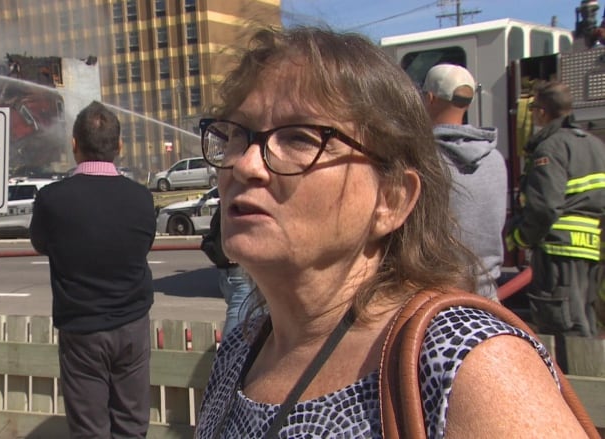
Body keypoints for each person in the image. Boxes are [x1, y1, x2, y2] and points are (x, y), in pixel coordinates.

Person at [194, 27, 589, 438]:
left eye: (299, 137)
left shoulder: (463, 363)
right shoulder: (242, 348)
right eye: (238, 135)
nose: (244, 165)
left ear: (392, 199)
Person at [29, 101, 156, 438]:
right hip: (132, 325)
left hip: (82, 329)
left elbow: (40, 244)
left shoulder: (51, 200)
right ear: (119, 147)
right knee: (132, 424)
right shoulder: (142, 199)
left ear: (74, 145)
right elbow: (143, 246)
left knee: (89, 429)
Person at [507, 80, 605, 338]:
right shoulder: (595, 145)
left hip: (558, 252)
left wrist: (519, 236)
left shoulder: (550, 147)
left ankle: (570, 379)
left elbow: (544, 207)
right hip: (591, 250)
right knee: (586, 322)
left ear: (541, 111)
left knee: (563, 328)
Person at [421, 63, 507, 300]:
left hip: (438, 298)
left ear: (429, 98)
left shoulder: (424, 159)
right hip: (488, 296)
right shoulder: (495, 158)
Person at [200, 204, 257, 336]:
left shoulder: (229, 202)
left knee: (242, 338)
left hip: (232, 272)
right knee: (234, 341)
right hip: (242, 275)